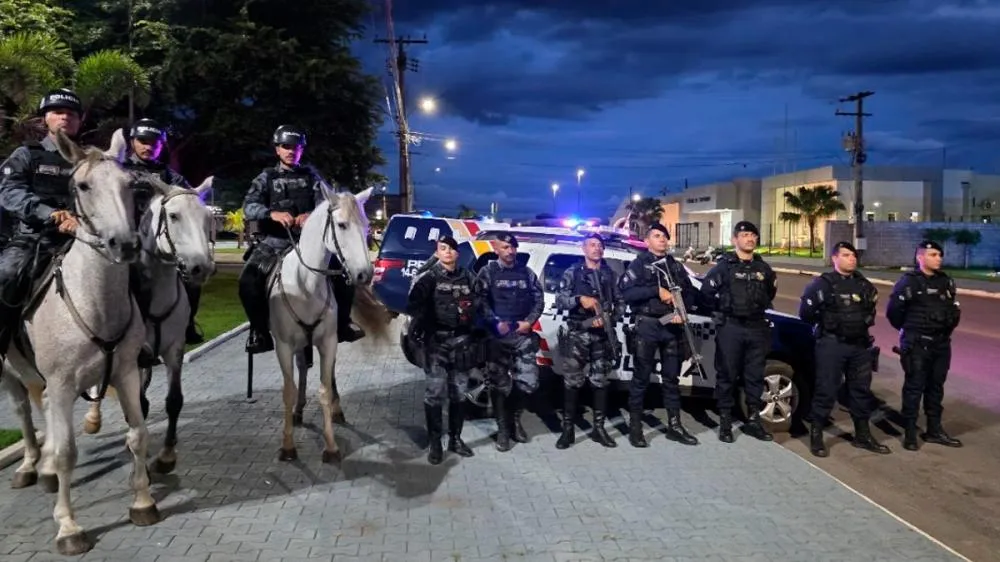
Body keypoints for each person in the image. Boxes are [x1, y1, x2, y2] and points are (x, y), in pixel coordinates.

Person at [238, 125, 364, 353]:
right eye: (286, 147)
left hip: (308, 243)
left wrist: (311, 215)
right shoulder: (266, 177)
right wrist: (271, 214)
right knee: (248, 279)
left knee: (344, 276)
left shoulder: (312, 176)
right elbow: (249, 206)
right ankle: (259, 332)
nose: (291, 151)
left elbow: (327, 202)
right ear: (277, 149)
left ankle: (344, 323)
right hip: (274, 242)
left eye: (296, 147)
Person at [0, 89, 85, 354]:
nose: (64, 118)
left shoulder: (89, 159)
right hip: (34, 238)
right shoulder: (27, 154)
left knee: (135, 270)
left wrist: (81, 221)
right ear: (45, 119)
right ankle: (3, 342)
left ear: (79, 121)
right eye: (58, 112)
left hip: (81, 238)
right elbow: (9, 192)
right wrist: (50, 214)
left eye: (71, 114)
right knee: (6, 274)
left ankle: (138, 343)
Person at [798, 241, 890, 457]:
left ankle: (863, 435)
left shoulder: (865, 285)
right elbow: (806, 314)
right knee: (826, 390)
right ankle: (817, 436)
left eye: (853, 255)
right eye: (846, 255)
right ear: (835, 258)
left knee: (861, 391)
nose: (852, 259)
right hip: (832, 344)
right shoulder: (822, 284)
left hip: (859, 346)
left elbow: (870, 310)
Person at [122, 118, 204, 344]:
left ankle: (187, 323)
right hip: (129, 240)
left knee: (192, 280)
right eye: (143, 141)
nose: (149, 146)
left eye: (155, 143)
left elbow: (190, 198)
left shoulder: (169, 175)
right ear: (132, 142)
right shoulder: (120, 170)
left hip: (162, 244)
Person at [619, 223, 699, 448]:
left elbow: (690, 292)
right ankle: (636, 429)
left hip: (672, 327)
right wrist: (655, 291)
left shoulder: (675, 266)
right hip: (648, 326)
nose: (662, 239)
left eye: (664, 235)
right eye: (656, 235)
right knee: (641, 379)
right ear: (647, 241)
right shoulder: (640, 264)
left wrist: (683, 312)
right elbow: (627, 293)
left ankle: (675, 426)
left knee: (672, 379)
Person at [700, 221, 777, 443]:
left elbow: (769, 293)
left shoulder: (764, 269)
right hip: (731, 327)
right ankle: (725, 422)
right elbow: (706, 294)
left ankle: (753, 420)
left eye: (753, 235)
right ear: (735, 240)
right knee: (727, 375)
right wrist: (720, 313)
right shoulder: (723, 268)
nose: (750, 238)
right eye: (744, 235)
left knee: (754, 376)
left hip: (756, 327)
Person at [406, 235, 478, 464]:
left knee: (459, 393)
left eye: (451, 249)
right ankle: (435, 443)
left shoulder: (469, 277)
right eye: (442, 248)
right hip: (436, 344)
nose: (447, 252)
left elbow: (481, 303)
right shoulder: (429, 278)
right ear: (437, 253)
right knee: (435, 394)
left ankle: (456, 439)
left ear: (458, 254)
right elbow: (414, 306)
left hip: (462, 343)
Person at [886, 240, 963, 451]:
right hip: (917, 344)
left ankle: (934, 430)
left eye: (939, 255)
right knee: (914, 387)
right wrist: (911, 331)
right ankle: (910, 432)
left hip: (941, 344)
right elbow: (894, 314)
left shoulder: (946, 282)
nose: (938, 258)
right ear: (920, 258)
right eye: (933, 255)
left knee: (936, 388)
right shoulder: (908, 282)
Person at [553, 232, 623, 449]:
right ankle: (568, 430)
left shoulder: (610, 274)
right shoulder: (573, 272)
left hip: (602, 336)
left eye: (600, 245)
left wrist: (609, 318)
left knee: (600, 381)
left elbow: (620, 302)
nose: (597, 248)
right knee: (573, 382)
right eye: (592, 245)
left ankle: (598, 429)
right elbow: (559, 299)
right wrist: (578, 299)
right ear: (583, 249)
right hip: (578, 335)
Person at [476, 233, 544, 452]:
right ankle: (503, 430)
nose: (510, 251)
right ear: (497, 249)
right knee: (499, 386)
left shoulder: (526, 273)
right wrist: (495, 323)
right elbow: (480, 301)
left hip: (521, 335)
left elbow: (539, 299)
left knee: (529, 382)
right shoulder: (487, 272)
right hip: (497, 338)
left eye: (513, 248)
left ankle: (515, 418)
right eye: (505, 247)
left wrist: (529, 321)